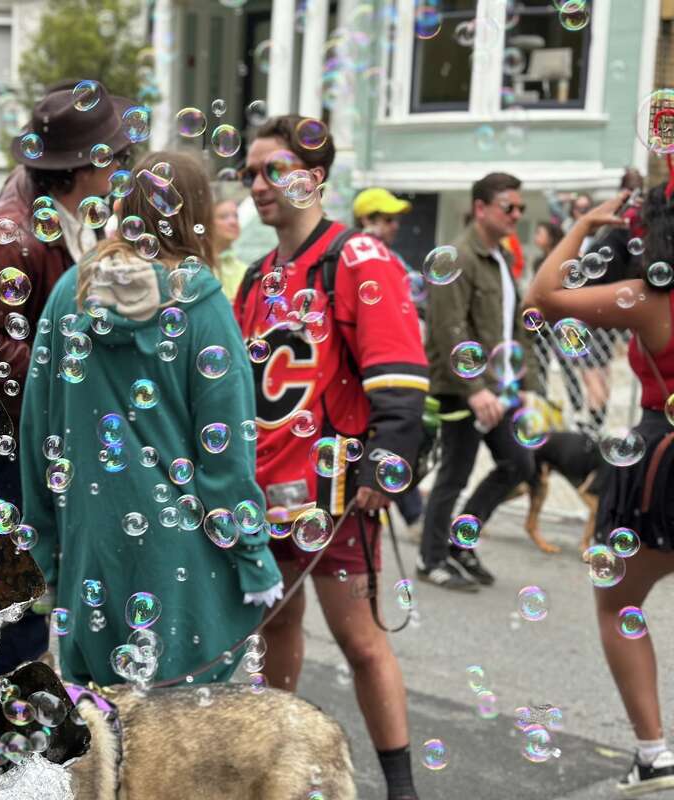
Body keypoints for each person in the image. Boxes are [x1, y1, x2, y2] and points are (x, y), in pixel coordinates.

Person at [21, 150, 283, 687]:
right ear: (200, 216)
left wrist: (42, 554)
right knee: (179, 741)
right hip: (180, 558)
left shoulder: (69, 295)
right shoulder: (202, 305)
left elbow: (38, 438)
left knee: (106, 733)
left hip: (90, 548)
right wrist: (254, 558)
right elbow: (226, 455)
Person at [234, 115, 427, 800]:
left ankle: (400, 787)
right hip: (263, 494)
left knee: (362, 641)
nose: (257, 184)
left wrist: (385, 462)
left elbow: (400, 372)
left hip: (333, 495)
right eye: (250, 172)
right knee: (275, 626)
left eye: (273, 170)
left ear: (314, 178)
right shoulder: (257, 276)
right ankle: (271, 770)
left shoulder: (359, 259)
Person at [0, 81, 133, 674]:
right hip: (27, 444)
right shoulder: (12, 234)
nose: (123, 166)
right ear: (80, 169)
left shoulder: (74, 214)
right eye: (114, 156)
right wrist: (70, 361)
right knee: (26, 586)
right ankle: (5, 704)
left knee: (50, 579)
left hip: (59, 434)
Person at [524, 186, 674, 795]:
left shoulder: (649, 300)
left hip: (663, 457)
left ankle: (654, 752)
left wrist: (583, 223)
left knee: (618, 602)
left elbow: (542, 298)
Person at [417, 172, 540, 593]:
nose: (517, 214)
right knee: (455, 472)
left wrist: (524, 380)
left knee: (518, 464)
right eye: (510, 206)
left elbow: (514, 325)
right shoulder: (457, 256)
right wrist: (475, 389)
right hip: (462, 388)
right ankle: (431, 559)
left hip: (498, 388)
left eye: (520, 207)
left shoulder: (501, 258)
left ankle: (458, 542)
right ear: (481, 208)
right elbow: (447, 327)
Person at [353, 187, 426, 525]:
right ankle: (415, 515)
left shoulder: (390, 259)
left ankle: (414, 514)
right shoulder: (358, 260)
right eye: (386, 218)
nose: (395, 225)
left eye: (397, 218)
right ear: (365, 219)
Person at [212, 195, 247, 300]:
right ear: (207, 223)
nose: (233, 222)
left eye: (236, 216)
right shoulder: (199, 267)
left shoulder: (244, 270)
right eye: (223, 217)